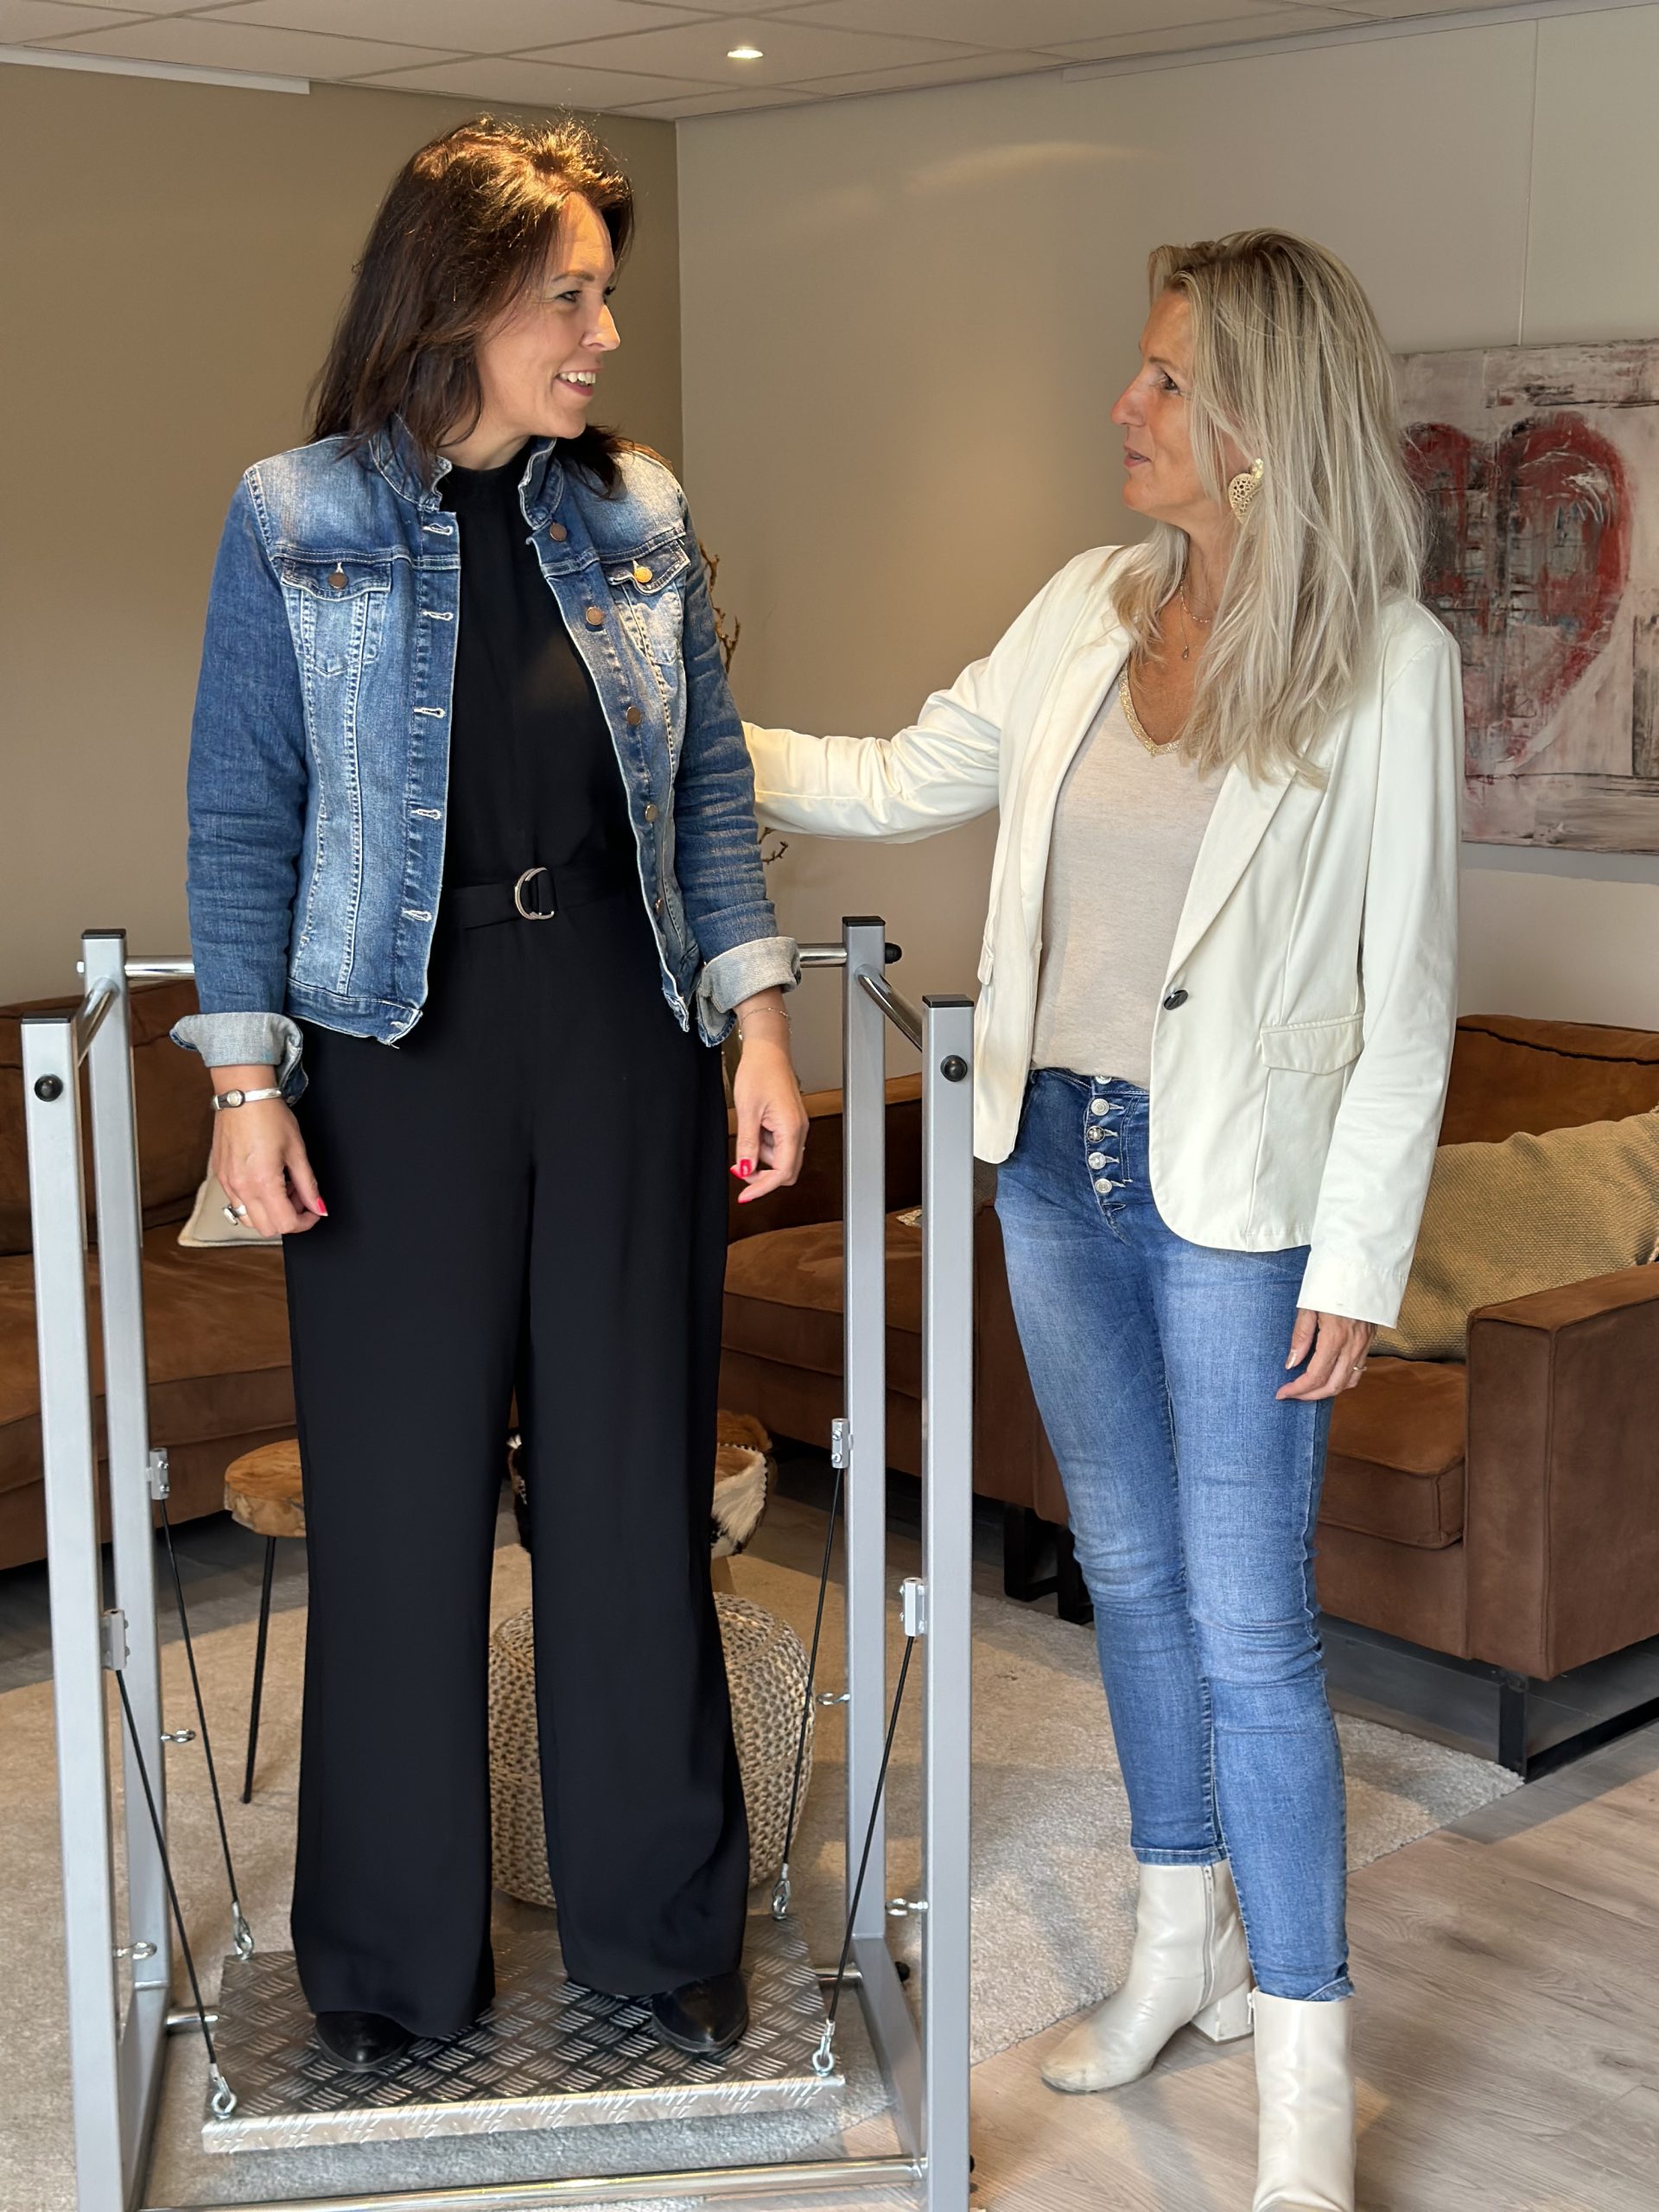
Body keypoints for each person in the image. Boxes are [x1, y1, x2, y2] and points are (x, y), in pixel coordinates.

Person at [744, 231, 1460, 2210]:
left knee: (1253, 1627)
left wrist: (1358, 1258)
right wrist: (686, 735)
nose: (1122, 408)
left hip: (1239, 1204)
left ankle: (1305, 2074)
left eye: (1161, 381)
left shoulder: (1389, 662)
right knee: (1127, 1577)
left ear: (1259, 422)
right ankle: (1175, 1945)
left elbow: (1406, 1000)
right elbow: (904, 771)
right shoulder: (1087, 605)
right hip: (1050, 1158)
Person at [172, 117, 807, 2072]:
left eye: (608, 292)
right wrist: (244, 1079)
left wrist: (759, 1024)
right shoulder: (294, 515)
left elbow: (707, 789)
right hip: (394, 1056)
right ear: (457, 298)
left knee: (630, 1496)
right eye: (572, 296)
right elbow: (243, 809)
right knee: (398, 1512)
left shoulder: (639, 509)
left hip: (623, 1031)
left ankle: (658, 1927)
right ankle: (387, 1960)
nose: (605, 332)